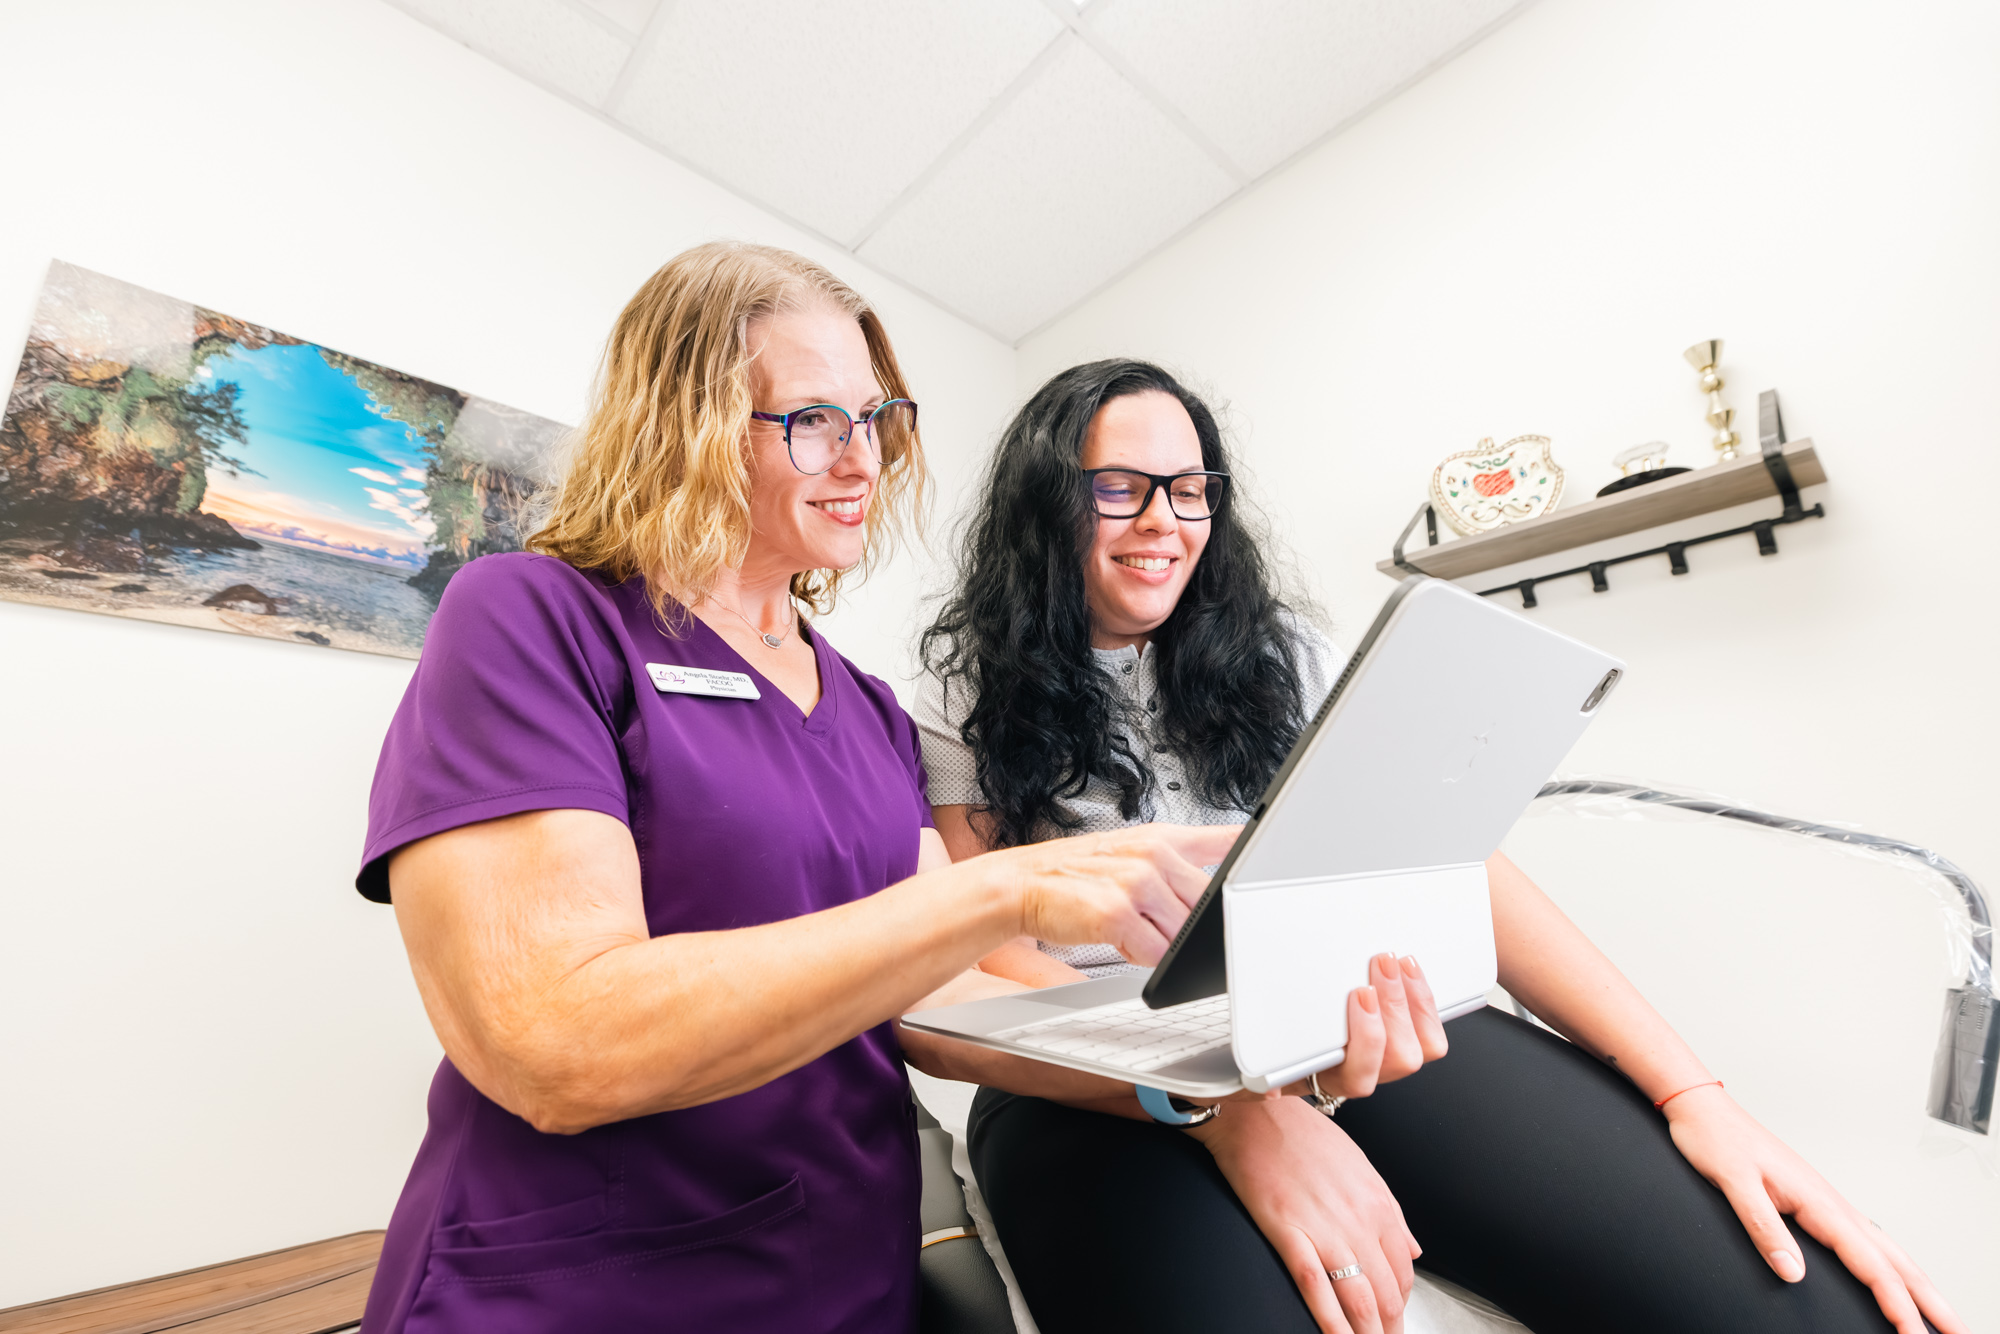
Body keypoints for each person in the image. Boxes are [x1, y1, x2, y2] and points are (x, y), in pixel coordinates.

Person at [350, 244, 1437, 1334]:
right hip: (588, 1278)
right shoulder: (535, 619)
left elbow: (939, 997)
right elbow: (552, 1041)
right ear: (683, 421)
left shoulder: (864, 707)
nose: (863, 460)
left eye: (875, 419)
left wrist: (1217, 1081)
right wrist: (1003, 891)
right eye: (814, 419)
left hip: (843, 1274)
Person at [915, 358, 1964, 1334]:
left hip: (1331, 1013)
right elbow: (1001, 954)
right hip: (1086, 1077)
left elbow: (1452, 864)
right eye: (1119, 488)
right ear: (1047, 501)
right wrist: (1226, 1112)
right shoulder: (959, 693)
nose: (1164, 521)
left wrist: (1694, 1096)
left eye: (1191, 488)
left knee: (1792, 1293)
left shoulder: (1281, 655)